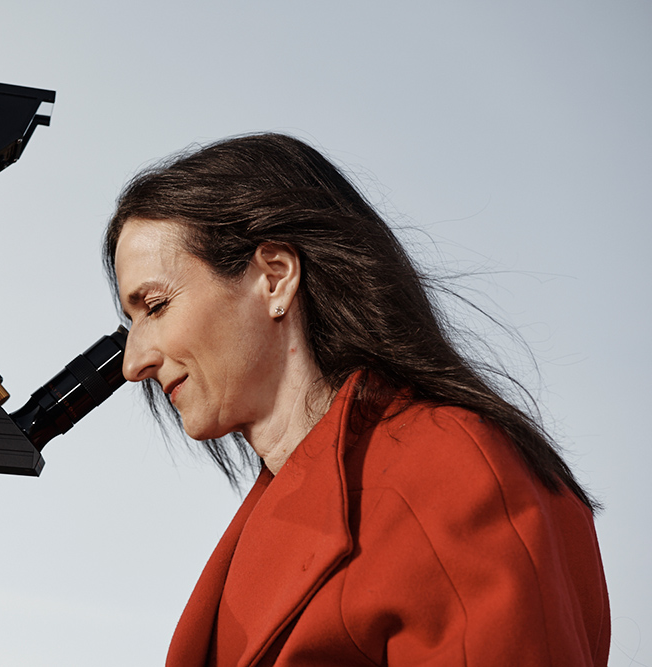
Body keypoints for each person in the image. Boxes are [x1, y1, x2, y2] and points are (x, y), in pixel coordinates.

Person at [103, 133, 610, 666]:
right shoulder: (268, 523)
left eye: (155, 305)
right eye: (130, 322)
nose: (134, 363)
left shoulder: (450, 470)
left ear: (274, 277)